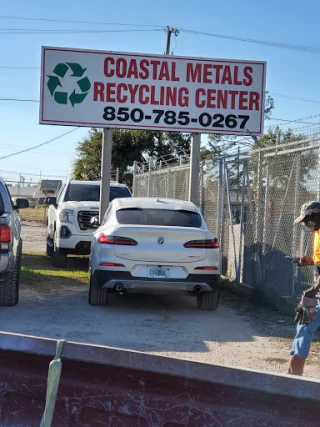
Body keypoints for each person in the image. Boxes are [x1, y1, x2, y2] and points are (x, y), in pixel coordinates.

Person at [288, 201, 320, 375]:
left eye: (307, 220)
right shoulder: (317, 232)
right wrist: (310, 262)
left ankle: (294, 378)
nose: (306, 225)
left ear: (315, 215)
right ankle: (292, 375)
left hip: (318, 292)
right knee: (303, 326)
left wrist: (313, 291)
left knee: (305, 327)